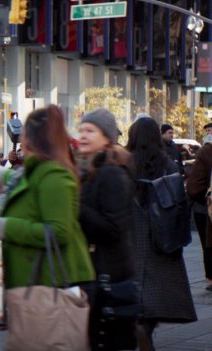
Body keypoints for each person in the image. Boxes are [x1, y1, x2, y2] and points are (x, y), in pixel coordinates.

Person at [0, 105, 95, 345]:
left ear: (33, 141)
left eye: (23, 137)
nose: (20, 142)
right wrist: (4, 174)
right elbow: (28, 183)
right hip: (31, 283)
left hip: (51, 282)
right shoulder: (36, 171)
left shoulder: (55, 176)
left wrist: (3, 227)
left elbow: (58, 231)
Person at [126, 117, 197, 349]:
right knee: (156, 295)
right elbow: (181, 202)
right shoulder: (167, 164)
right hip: (162, 239)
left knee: (137, 294)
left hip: (133, 239)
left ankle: (142, 328)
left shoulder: (126, 164)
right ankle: (146, 327)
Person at [76, 109, 137, 350]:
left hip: (109, 275)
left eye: (90, 131)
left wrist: (76, 205)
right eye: (81, 129)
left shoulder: (111, 173)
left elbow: (113, 228)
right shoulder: (90, 170)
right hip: (96, 274)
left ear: (107, 137)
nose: (83, 135)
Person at [185, 134, 212, 292]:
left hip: (206, 207)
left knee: (208, 244)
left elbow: (193, 187)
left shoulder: (206, 151)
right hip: (206, 205)